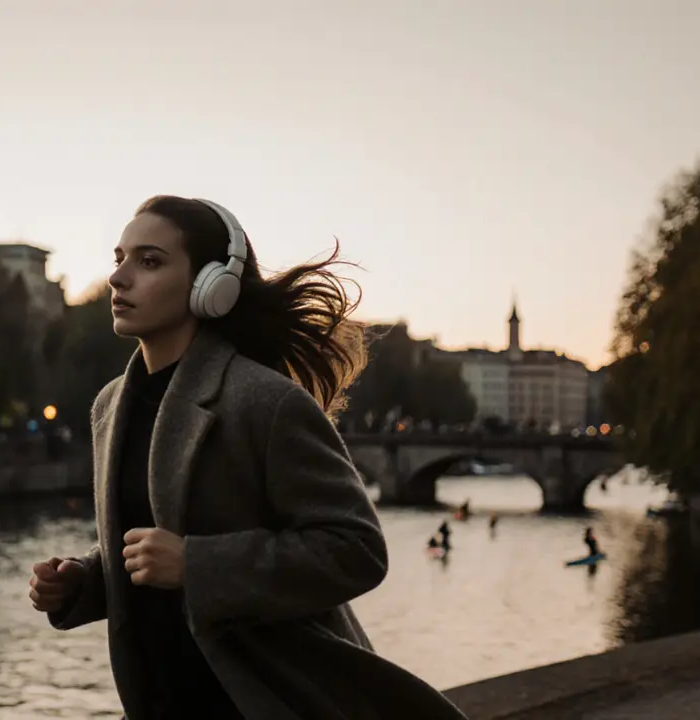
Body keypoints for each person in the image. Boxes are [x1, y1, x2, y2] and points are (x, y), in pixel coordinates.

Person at [27, 196, 467, 719]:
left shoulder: (264, 401)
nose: (119, 278)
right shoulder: (110, 405)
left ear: (213, 286)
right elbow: (149, 545)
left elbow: (356, 550)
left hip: (262, 702)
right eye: (119, 257)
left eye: (149, 261)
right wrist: (83, 579)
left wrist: (196, 564)